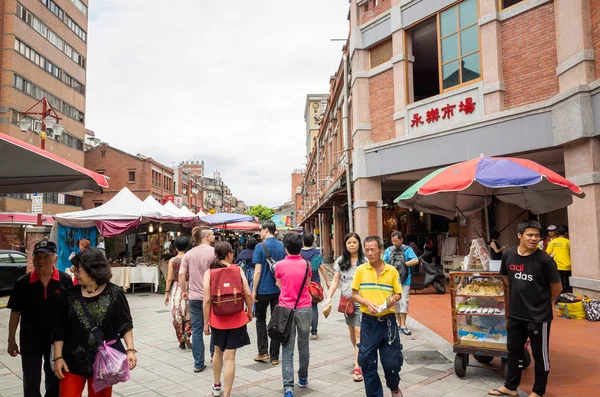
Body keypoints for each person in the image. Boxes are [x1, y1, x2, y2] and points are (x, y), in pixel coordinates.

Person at [488, 220, 562, 397]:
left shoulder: (545, 260)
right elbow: (506, 278)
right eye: (530, 235)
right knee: (513, 351)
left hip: (538, 317)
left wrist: (542, 303)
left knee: (540, 355)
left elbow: (557, 288)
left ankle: (538, 392)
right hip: (515, 313)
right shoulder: (509, 255)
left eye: (537, 235)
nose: (534, 238)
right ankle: (510, 387)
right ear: (519, 235)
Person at [53, 248, 136, 397]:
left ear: (92, 270)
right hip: (71, 363)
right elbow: (59, 329)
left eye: (78, 269)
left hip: (104, 364)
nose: (74, 272)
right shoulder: (69, 295)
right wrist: (58, 358)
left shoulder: (115, 293)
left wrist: (130, 349)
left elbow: (125, 324)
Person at [6, 240, 73, 397]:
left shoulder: (65, 280)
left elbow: (71, 311)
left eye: (46, 256)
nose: (41, 261)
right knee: (31, 379)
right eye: (37, 257)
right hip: (30, 340)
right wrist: (11, 340)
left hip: (56, 341)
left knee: (55, 377)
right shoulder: (23, 283)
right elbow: (15, 313)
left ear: (55, 259)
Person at [352, 236, 404, 397]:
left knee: (392, 363)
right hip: (368, 322)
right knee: (367, 361)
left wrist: (392, 300)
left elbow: (398, 294)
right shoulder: (361, 270)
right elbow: (354, 294)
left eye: (372, 249)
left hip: (388, 323)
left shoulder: (392, 271)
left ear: (381, 250)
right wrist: (367, 303)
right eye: (366, 249)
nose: (369, 253)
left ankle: (394, 386)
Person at [203, 242, 252, 397]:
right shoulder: (238, 270)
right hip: (237, 318)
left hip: (217, 319)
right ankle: (227, 394)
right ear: (230, 254)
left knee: (218, 351)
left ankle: (217, 386)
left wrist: (205, 323)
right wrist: (249, 312)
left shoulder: (210, 273)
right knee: (230, 357)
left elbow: (206, 300)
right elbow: (248, 294)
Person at [324, 232, 367, 382]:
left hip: (363, 301)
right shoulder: (341, 260)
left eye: (355, 242)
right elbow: (335, 281)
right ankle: (358, 354)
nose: (352, 245)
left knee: (358, 332)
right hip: (348, 300)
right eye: (349, 242)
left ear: (359, 244)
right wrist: (329, 297)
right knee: (352, 332)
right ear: (345, 245)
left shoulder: (365, 260)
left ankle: (358, 366)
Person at [276, 233, 313, 397]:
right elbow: (308, 285)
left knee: (287, 348)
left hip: (286, 310)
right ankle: (303, 379)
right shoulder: (307, 264)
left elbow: (280, 285)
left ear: (285, 248)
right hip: (305, 308)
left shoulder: (280, 265)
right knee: (303, 344)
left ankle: (289, 387)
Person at [179, 226, 215, 372]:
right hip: (211, 296)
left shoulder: (189, 254)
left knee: (197, 330)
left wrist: (183, 291)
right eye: (212, 235)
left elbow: (181, 274)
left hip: (194, 296)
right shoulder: (214, 253)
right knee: (216, 327)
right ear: (206, 237)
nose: (214, 237)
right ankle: (215, 356)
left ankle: (198, 363)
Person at [252, 220, 285, 365]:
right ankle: (275, 356)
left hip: (263, 290)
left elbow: (257, 271)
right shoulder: (283, 246)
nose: (260, 232)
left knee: (260, 320)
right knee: (277, 321)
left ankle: (262, 352)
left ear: (266, 230)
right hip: (278, 290)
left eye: (261, 230)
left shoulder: (260, 247)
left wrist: (253, 291)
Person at [382, 231, 419, 336]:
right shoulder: (389, 250)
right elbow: (383, 263)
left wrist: (403, 264)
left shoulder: (408, 249)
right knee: (395, 302)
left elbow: (415, 260)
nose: (394, 243)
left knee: (404, 301)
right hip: (391, 281)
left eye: (396, 241)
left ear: (401, 240)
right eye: (392, 241)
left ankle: (403, 324)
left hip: (405, 280)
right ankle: (398, 323)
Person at [300, 233, 330, 339]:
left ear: (303, 240)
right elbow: (322, 268)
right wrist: (327, 281)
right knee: (313, 307)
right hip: (315, 283)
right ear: (312, 241)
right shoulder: (316, 253)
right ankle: (314, 332)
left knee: (303, 306)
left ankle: (305, 328)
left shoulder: (299, 253)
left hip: (302, 283)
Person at [165, 236, 192, 349]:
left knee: (177, 314)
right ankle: (187, 334)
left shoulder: (172, 261)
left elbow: (169, 278)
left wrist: (166, 293)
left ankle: (181, 338)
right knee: (189, 313)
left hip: (177, 287)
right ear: (187, 246)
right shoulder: (190, 258)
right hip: (189, 286)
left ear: (175, 247)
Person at [545, 225, 571, 293]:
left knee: (560, 283)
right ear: (566, 233)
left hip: (557, 266)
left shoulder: (553, 242)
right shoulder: (568, 242)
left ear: (556, 232)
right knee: (568, 284)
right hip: (568, 266)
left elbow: (547, 254)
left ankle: (561, 297)